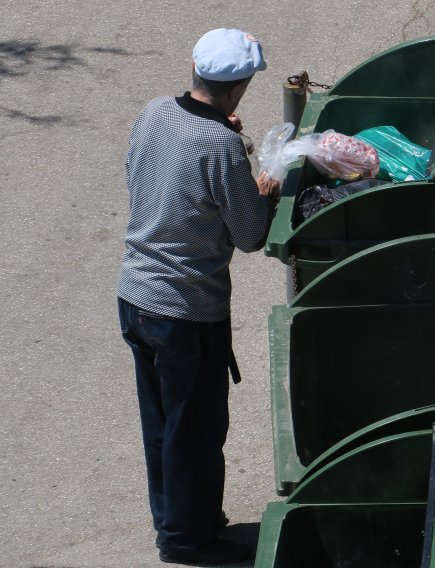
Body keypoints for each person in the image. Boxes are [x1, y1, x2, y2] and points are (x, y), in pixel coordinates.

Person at [117, 28, 279, 565]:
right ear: (242, 85)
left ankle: (179, 521)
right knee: (196, 429)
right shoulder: (220, 144)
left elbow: (139, 171)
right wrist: (263, 186)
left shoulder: (157, 111)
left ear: (195, 67)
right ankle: (189, 541)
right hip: (186, 311)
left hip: (136, 296)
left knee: (162, 424)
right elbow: (251, 233)